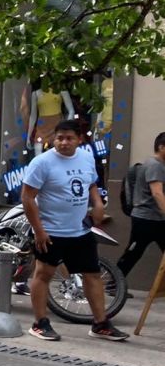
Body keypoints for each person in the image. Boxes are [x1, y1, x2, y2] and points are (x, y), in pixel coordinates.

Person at [22, 120, 128, 341]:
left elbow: (90, 183)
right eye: (59, 138)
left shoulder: (86, 157)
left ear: (79, 139)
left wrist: (98, 203)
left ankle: (100, 324)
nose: (63, 143)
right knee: (43, 275)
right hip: (50, 231)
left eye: (69, 138)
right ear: (54, 139)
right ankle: (39, 323)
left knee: (92, 274)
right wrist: (39, 230)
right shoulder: (42, 163)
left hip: (80, 231)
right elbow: (27, 197)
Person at [117, 132, 165, 276]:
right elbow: (157, 193)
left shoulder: (157, 165)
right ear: (162, 147)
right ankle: (114, 284)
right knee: (134, 252)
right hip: (146, 219)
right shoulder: (155, 165)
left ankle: (115, 284)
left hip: (156, 218)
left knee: (134, 252)